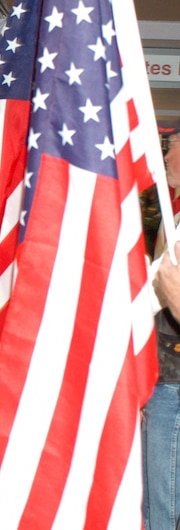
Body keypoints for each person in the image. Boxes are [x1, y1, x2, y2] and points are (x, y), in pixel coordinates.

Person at [145, 118, 180, 530]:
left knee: (163, 509)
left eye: (171, 148)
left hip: (173, 384)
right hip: (162, 377)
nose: (165, 157)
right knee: (155, 507)